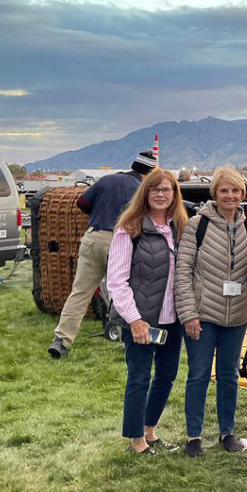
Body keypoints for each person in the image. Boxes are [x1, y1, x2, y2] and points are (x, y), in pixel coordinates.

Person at [105, 168, 189, 454]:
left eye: (167, 189)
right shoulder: (130, 228)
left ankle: (149, 430)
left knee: (166, 376)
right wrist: (135, 320)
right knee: (139, 376)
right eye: (155, 189)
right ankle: (135, 440)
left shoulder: (179, 228)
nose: (161, 194)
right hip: (142, 320)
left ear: (175, 194)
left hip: (171, 319)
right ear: (145, 193)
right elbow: (116, 281)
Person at [175, 167, 247, 458]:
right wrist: (188, 314)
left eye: (235, 191)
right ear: (215, 194)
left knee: (229, 375)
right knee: (198, 374)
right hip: (202, 314)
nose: (230, 196)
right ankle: (194, 436)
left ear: (242, 194)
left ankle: (227, 432)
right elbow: (182, 272)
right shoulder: (198, 225)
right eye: (224, 190)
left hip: (235, 317)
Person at [47, 150, 156, 358]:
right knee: (126, 291)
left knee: (80, 292)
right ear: (149, 173)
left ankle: (61, 340)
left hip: (92, 238)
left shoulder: (107, 179)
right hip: (119, 241)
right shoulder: (141, 189)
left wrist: (99, 212)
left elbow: (81, 202)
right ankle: (129, 340)